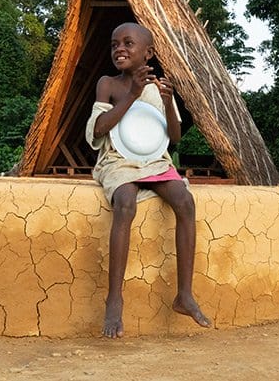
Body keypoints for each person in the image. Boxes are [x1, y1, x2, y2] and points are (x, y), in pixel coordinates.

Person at [85, 22, 212, 338]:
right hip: (118, 161)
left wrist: (168, 103)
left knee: (185, 201)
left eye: (128, 43)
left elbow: (176, 137)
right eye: (115, 44)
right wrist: (133, 94)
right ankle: (114, 299)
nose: (120, 49)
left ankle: (184, 294)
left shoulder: (158, 90)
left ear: (149, 53)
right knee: (125, 203)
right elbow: (99, 129)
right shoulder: (108, 84)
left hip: (154, 160)